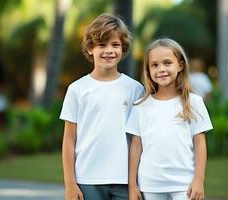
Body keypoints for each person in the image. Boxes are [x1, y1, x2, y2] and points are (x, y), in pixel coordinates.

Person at [60, 13, 144, 200]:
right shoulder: (77, 89)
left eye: (115, 45)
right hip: (87, 179)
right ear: (90, 49)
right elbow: (69, 140)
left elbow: (138, 141)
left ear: (123, 49)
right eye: (102, 45)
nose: (109, 50)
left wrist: (135, 184)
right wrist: (70, 184)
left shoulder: (135, 89)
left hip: (125, 180)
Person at [127, 38, 213, 200]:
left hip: (184, 184)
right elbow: (136, 147)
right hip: (150, 184)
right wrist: (133, 185)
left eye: (167, 63)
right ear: (148, 70)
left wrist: (199, 180)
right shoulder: (140, 106)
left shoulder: (193, 102)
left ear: (180, 65)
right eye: (155, 65)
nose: (161, 69)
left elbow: (200, 143)